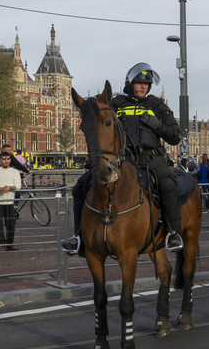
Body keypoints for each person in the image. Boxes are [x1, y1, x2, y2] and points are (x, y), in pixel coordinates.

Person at [63, 63, 183, 255]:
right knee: (81, 185)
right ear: (130, 84)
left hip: (150, 158)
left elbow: (175, 136)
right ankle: (79, 237)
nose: (143, 86)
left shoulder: (157, 105)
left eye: (146, 83)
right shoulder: (116, 104)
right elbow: (100, 124)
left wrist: (156, 124)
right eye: (139, 83)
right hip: (122, 160)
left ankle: (173, 234)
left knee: (168, 184)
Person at [0, 151, 22, 251]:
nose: (6, 161)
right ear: (0, 160)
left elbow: (18, 186)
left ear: (10, 159)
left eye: (8, 159)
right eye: (3, 159)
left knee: (11, 223)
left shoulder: (15, 172)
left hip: (9, 201)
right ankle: (2, 243)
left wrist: (10, 187)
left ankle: (10, 244)